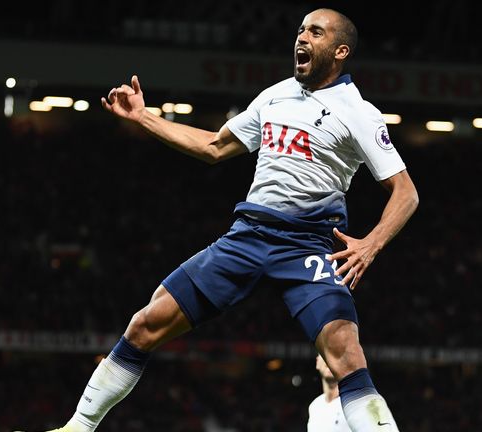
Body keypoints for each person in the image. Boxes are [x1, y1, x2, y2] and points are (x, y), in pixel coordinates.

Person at [34, 7, 417, 432]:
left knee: (346, 354)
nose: (302, 38)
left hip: (306, 244)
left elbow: (406, 192)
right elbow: (215, 146)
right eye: (301, 29)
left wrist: (372, 243)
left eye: (316, 32)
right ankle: (78, 427)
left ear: (340, 50)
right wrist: (145, 116)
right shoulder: (275, 94)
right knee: (146, 323)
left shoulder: (358, 111)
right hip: (249, 235)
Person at [308, 354, 352, 432]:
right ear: (317, 362)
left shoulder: (358, 403)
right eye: (325, 352)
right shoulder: (314, 406)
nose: (330, 359)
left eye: (335, 353)